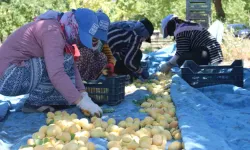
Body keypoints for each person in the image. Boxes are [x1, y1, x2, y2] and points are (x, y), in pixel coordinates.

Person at [0, 8, 103, 116]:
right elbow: (56, 74)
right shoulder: (52, 31)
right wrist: (80, 102)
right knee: (61, 63)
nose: (78, 39)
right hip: (7, 78)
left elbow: (72, 66)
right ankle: (35, 104)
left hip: (13, 74)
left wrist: (83, 93)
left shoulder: (60, 29)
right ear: (74, 24)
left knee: (66, 61)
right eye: (80, 34)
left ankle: (39, 102)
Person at [77, 10, 116, 80]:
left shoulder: (102, 42)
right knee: (86, 52)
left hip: (89, 74)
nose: (96, 37)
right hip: (75, 70)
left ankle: (90, 83)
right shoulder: (80, 35)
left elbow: (110, 56)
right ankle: (78, 83)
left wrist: (111, 63)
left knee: (102, 57)